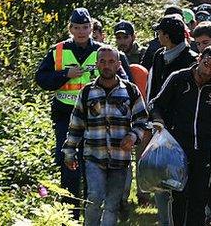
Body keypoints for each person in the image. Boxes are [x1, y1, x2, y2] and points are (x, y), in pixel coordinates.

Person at [35, 8, 129, 207]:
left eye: (85, 27)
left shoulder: (103, 51)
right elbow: (41, 79)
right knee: (67, 162)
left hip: (96, 116)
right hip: (65, 115)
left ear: (91, 28)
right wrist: (64, 75)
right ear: (70, 28)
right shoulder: (58, 50)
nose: (81, 32)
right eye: (77, 27)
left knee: (94, 164)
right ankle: (70, 212)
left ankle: (92, 209)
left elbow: (124, 80)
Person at [150, 46, 211, 226]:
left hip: (205, 149)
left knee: (200, 198)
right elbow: (155, 104)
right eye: (206, 63)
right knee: (179, 197)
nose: (208, 70)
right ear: (199, 58)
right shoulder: (179, 78)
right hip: (178, 149)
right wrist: (159, 122)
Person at [62, 45, 150, 226]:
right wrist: (69, 151)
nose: (107, 65)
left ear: (118, 64)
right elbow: (76, 123)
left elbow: (142, 120)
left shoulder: (130, 91)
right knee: (94, 198)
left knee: (112, 204)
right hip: (94, 156)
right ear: (96, 64)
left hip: (120, 158)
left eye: (111, 62)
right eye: (102, 61)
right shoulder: (87, 92)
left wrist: (133, 136)